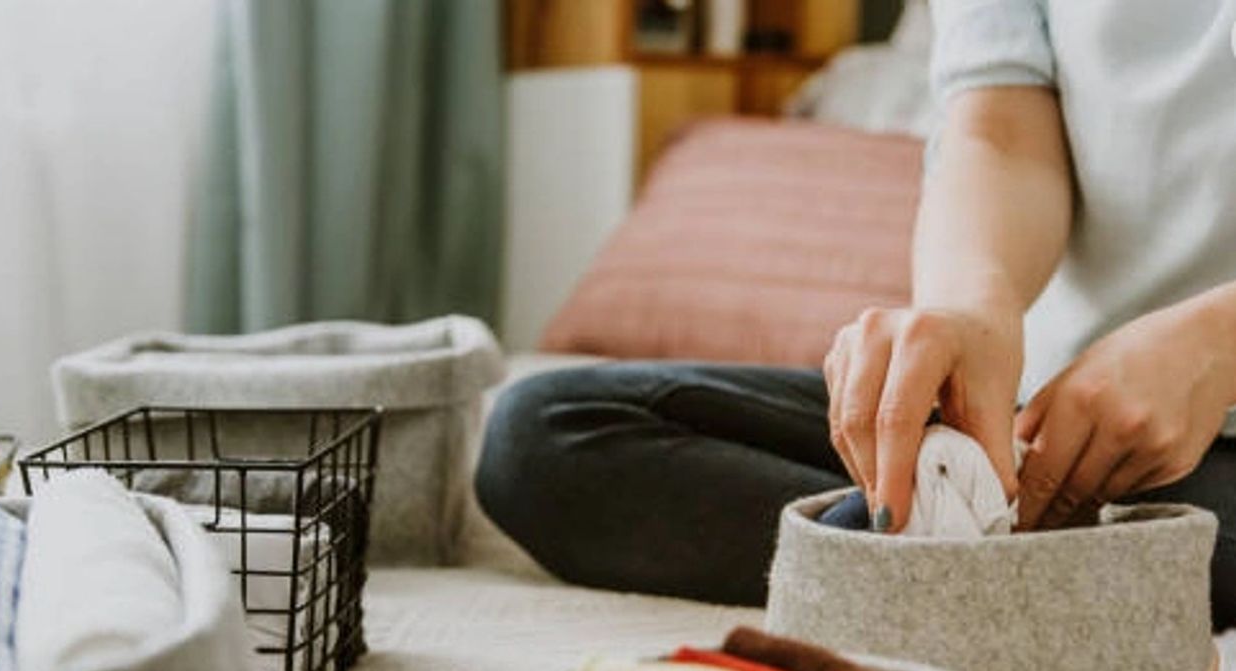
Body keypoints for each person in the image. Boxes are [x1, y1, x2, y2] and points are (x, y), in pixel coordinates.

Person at [475, 0, 1236, 629]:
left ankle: (956, 584)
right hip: (1044, 421)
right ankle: (1047, 594)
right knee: (542, 435)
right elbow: (1001, 131)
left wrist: (1215, 342)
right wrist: (970, 304)